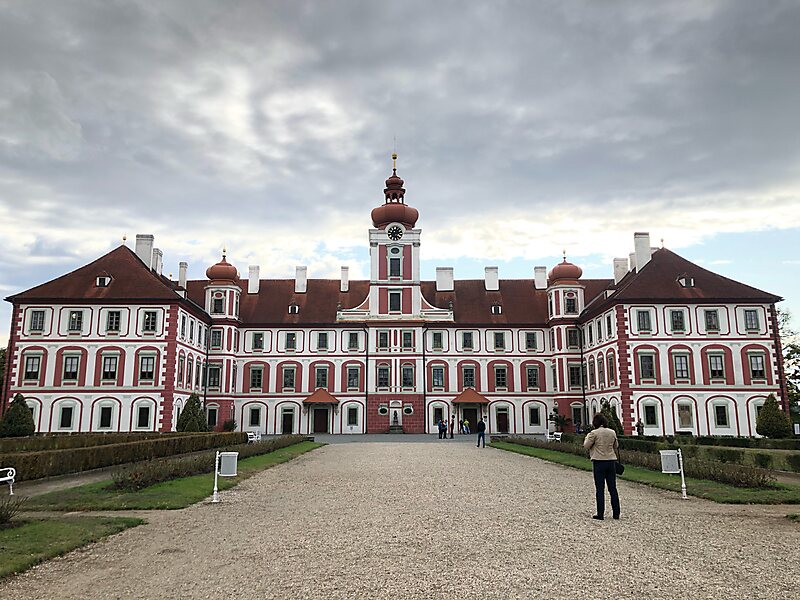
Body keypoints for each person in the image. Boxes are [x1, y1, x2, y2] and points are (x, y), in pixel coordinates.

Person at [583, 413, 620, 520]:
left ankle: (600, 513)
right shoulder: (612, 432)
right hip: (611, 461)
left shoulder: (594, 433)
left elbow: (586, 445)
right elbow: (616, 446)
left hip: (599, 461)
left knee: (600, 489)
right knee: (612, 488)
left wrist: (587, 437)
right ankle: (616, 513)